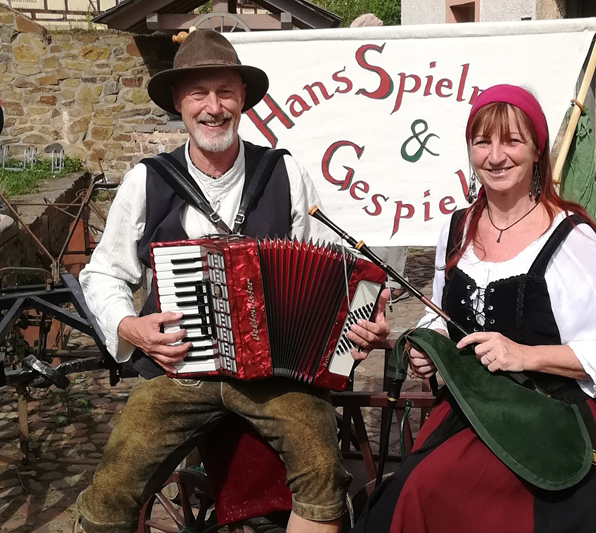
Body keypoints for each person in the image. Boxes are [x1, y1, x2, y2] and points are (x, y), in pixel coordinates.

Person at [75, 30, 389, 533]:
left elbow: (338, 271)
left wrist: (364, 317)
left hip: (275, 379)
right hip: (179, 376)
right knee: (112, 490)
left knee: (322, 474)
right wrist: (129, 326)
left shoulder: (284, 173)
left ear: (242, 97)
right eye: (198, 93)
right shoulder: (147, 180)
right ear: (178, 102)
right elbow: (103, 273)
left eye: (225, 92)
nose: (213, 107)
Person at [351, 84, 596, 532]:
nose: (496, 156)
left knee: (432, 488)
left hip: (547, 412)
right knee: (409, 492)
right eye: (483, 142)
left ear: (537, 150)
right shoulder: (457, 228)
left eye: (512, 141)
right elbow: (440, 313)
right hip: (469, 409)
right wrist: (429, 345)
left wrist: (524, 355)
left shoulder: (572, 239)